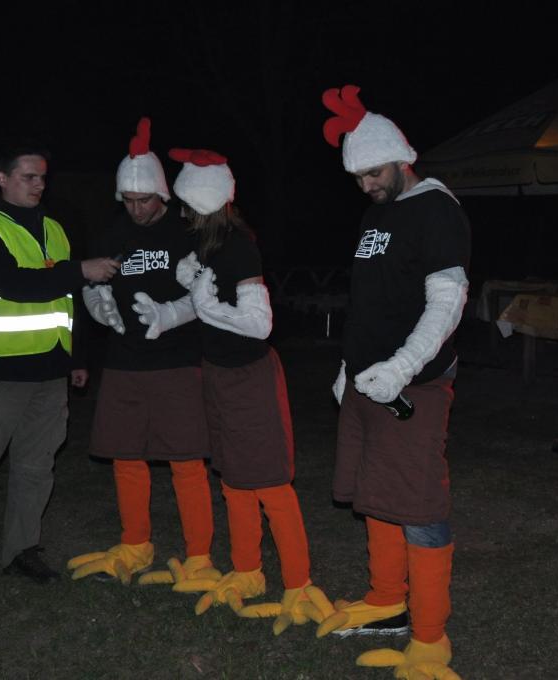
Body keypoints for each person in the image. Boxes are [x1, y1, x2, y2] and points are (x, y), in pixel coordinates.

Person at [317, 85, 469, 680]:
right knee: (375, 490)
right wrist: (348, 366)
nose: (365, 185)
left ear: (402, 159)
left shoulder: (437, 210)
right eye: (356, 177)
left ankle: (430, 636)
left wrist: (403, 366)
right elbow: (368, 299)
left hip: (414, 383)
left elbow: (447, 303)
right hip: (365, 379)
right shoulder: (375, 211)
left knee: (418, 501)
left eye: (374, 173)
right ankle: (387, 599)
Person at [160, 147, 335, 635]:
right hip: (218, 372)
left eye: (187, 204)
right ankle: (247, 570)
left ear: (204, 202)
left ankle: (298, 584)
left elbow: (259, 324)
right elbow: (207, 305)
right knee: (234, 478)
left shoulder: (238, 247)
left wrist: (207, 305)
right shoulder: (206, 246)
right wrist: (170, 312)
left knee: (270, 482)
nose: (182, 213)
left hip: (250, 376)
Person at [0, 141, 118, 595]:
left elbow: (66, 299)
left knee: (35, 468)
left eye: (42, 177)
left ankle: (22, 551)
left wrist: (76, 357)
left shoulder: (54, 229)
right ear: (2, 179)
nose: (38, 184)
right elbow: (10, 283)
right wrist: (80, 270)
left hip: (49, 373)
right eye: (28, 176)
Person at [65, 118, 219, 589]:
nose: (136, 208)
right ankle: (135, 544)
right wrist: (98, 305)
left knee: (186, 460)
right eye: (129, 200)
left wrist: (172, 314)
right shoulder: (112, 233)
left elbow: (211, 291)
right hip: (124, 359)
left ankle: (199, 556)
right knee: (125, 456)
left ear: (162, 193)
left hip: (177, 360)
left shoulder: (187, 231)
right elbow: (92, 282)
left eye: (144, 199)